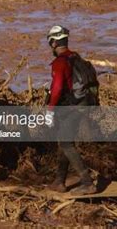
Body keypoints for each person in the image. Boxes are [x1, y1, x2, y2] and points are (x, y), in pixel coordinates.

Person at [46, 25, 96, 195]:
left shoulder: (60, 62)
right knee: (64, 141)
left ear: (53, 43)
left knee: (66, 143)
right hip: (85, 103)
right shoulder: (75, 57)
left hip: (73, 107)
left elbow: (58, 87)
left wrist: (50, 110)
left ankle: (87, 182)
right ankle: (59, 181)